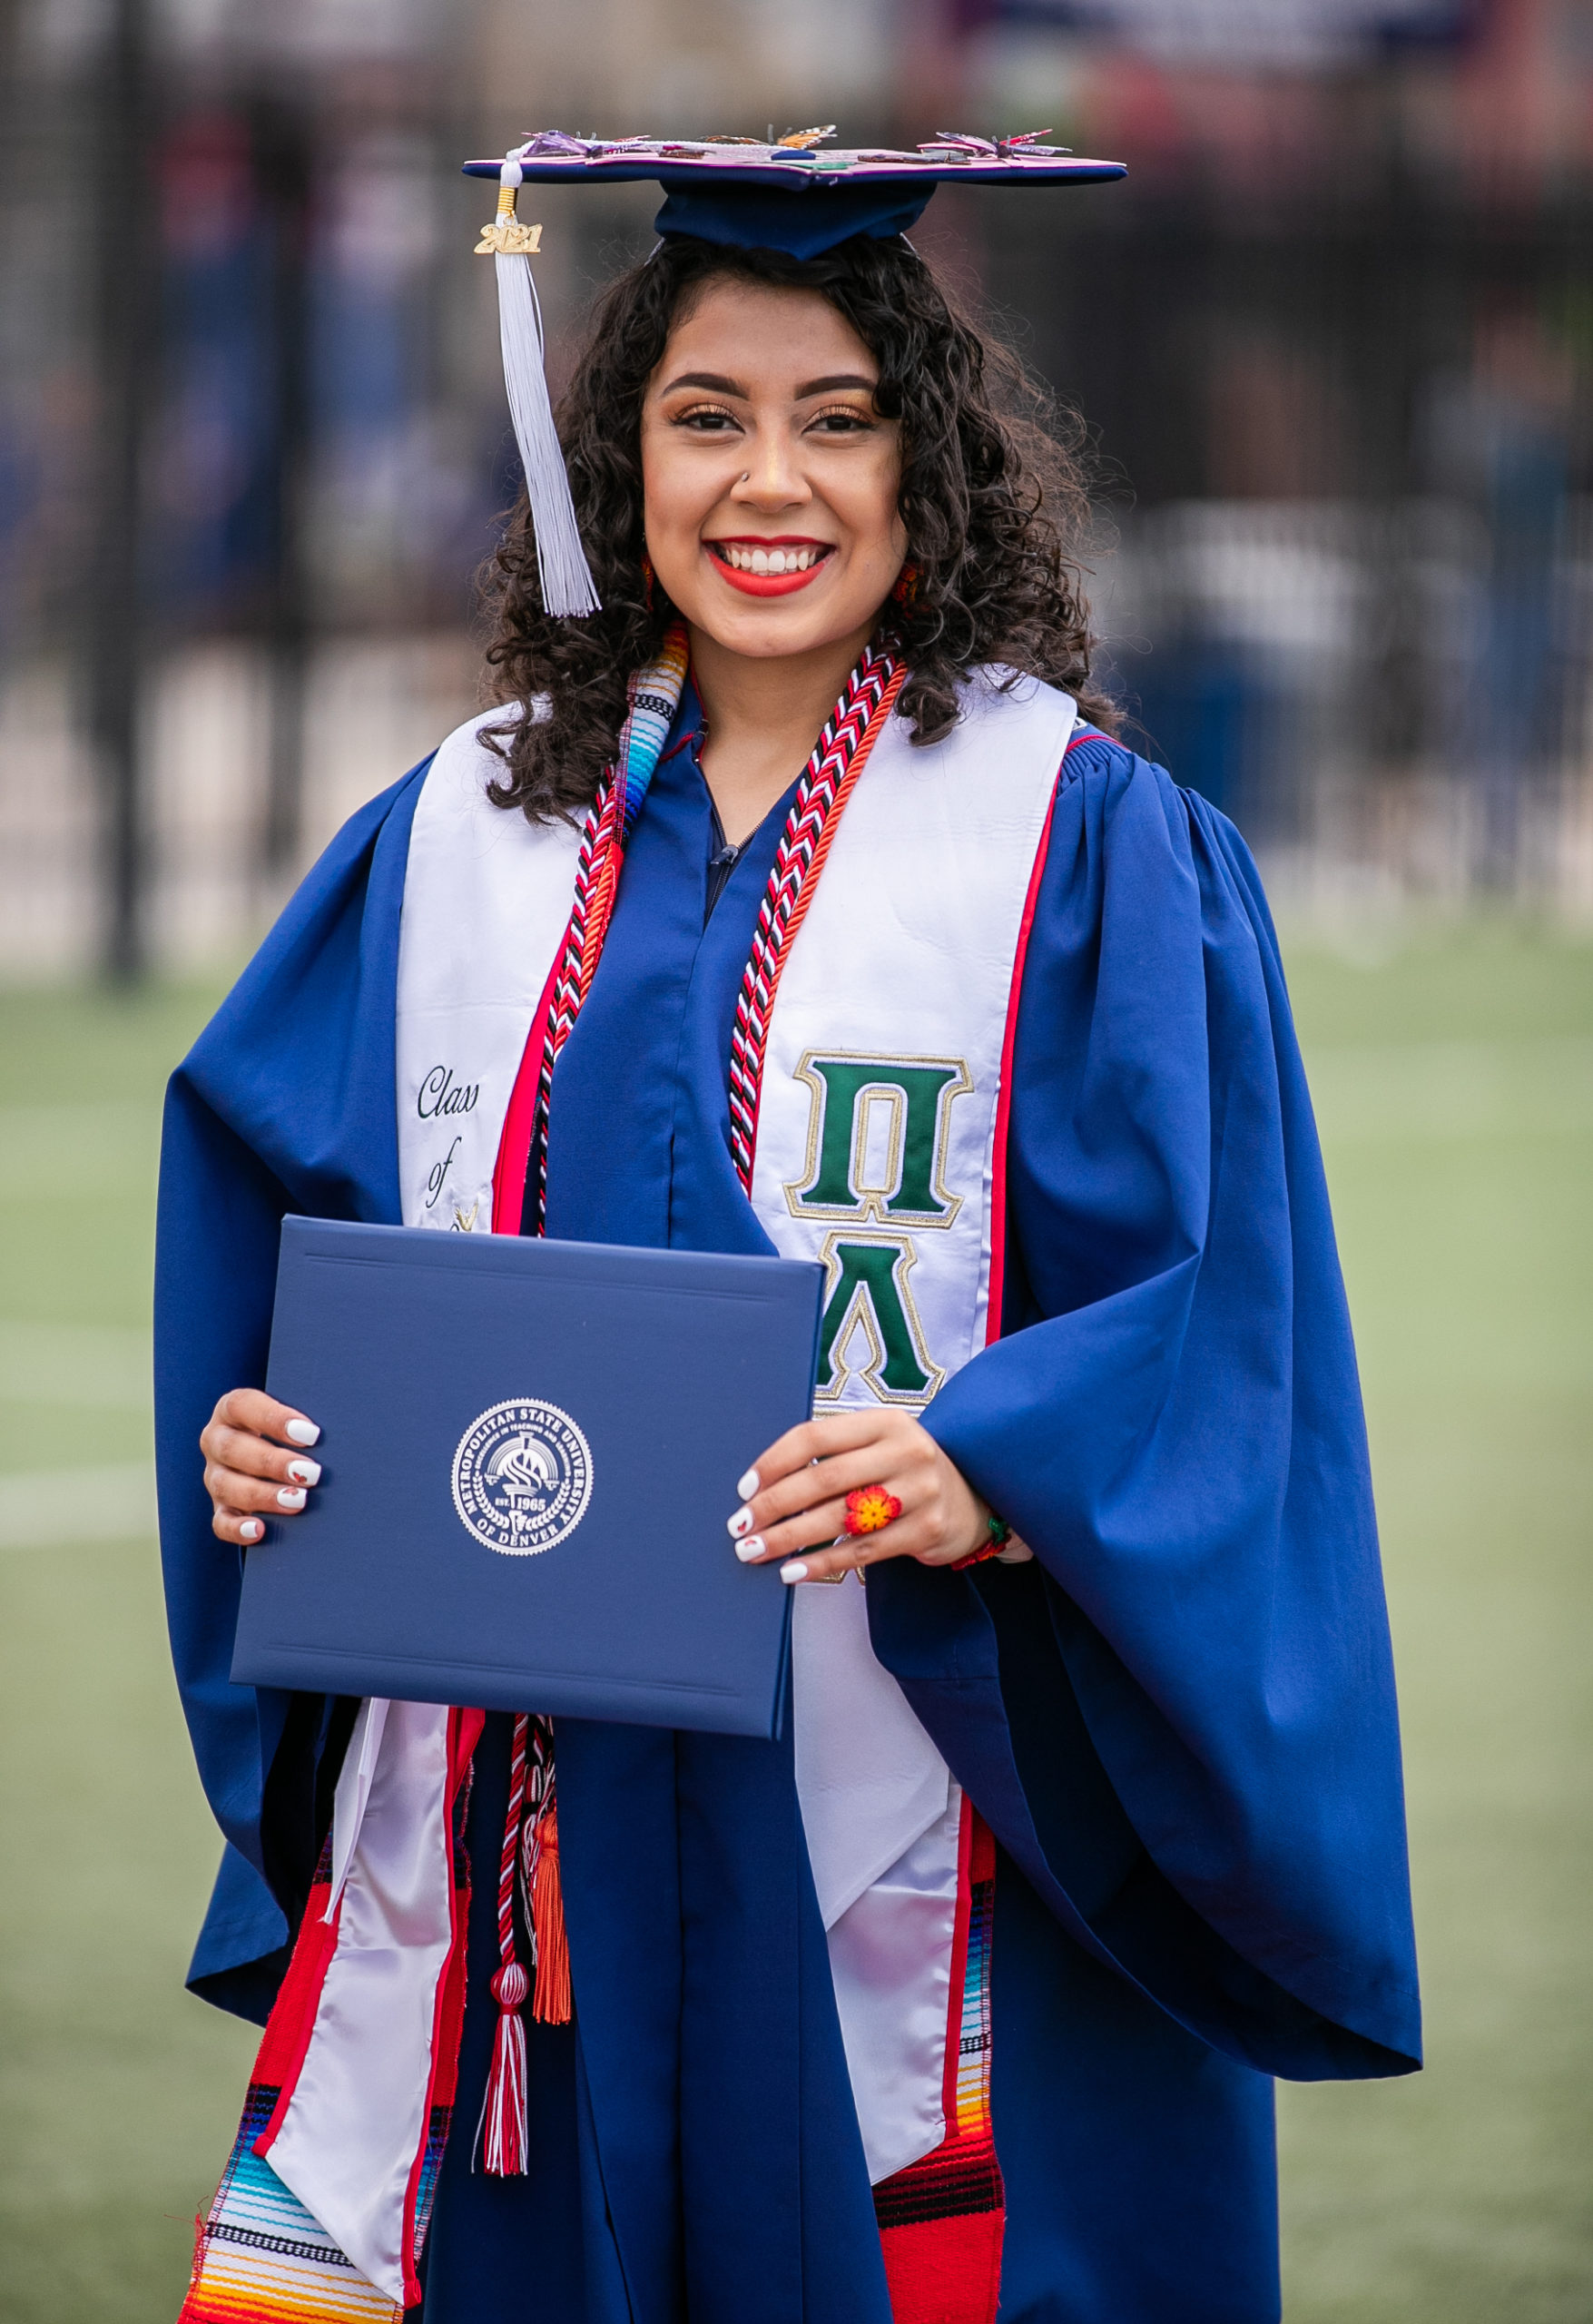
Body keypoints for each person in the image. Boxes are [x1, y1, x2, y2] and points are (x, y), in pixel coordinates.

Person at [158, 133, 1420, 2324]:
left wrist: (993, 1462)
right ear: (614, 464)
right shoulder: (455, 838)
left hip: (928, 1766)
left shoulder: (1079, 839)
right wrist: (265, 1440)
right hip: (536, 1792)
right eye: (706, 416)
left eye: (837, 419)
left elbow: (1216, 1305)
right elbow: (288, 1250)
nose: (773, 481)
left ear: (923, 465)